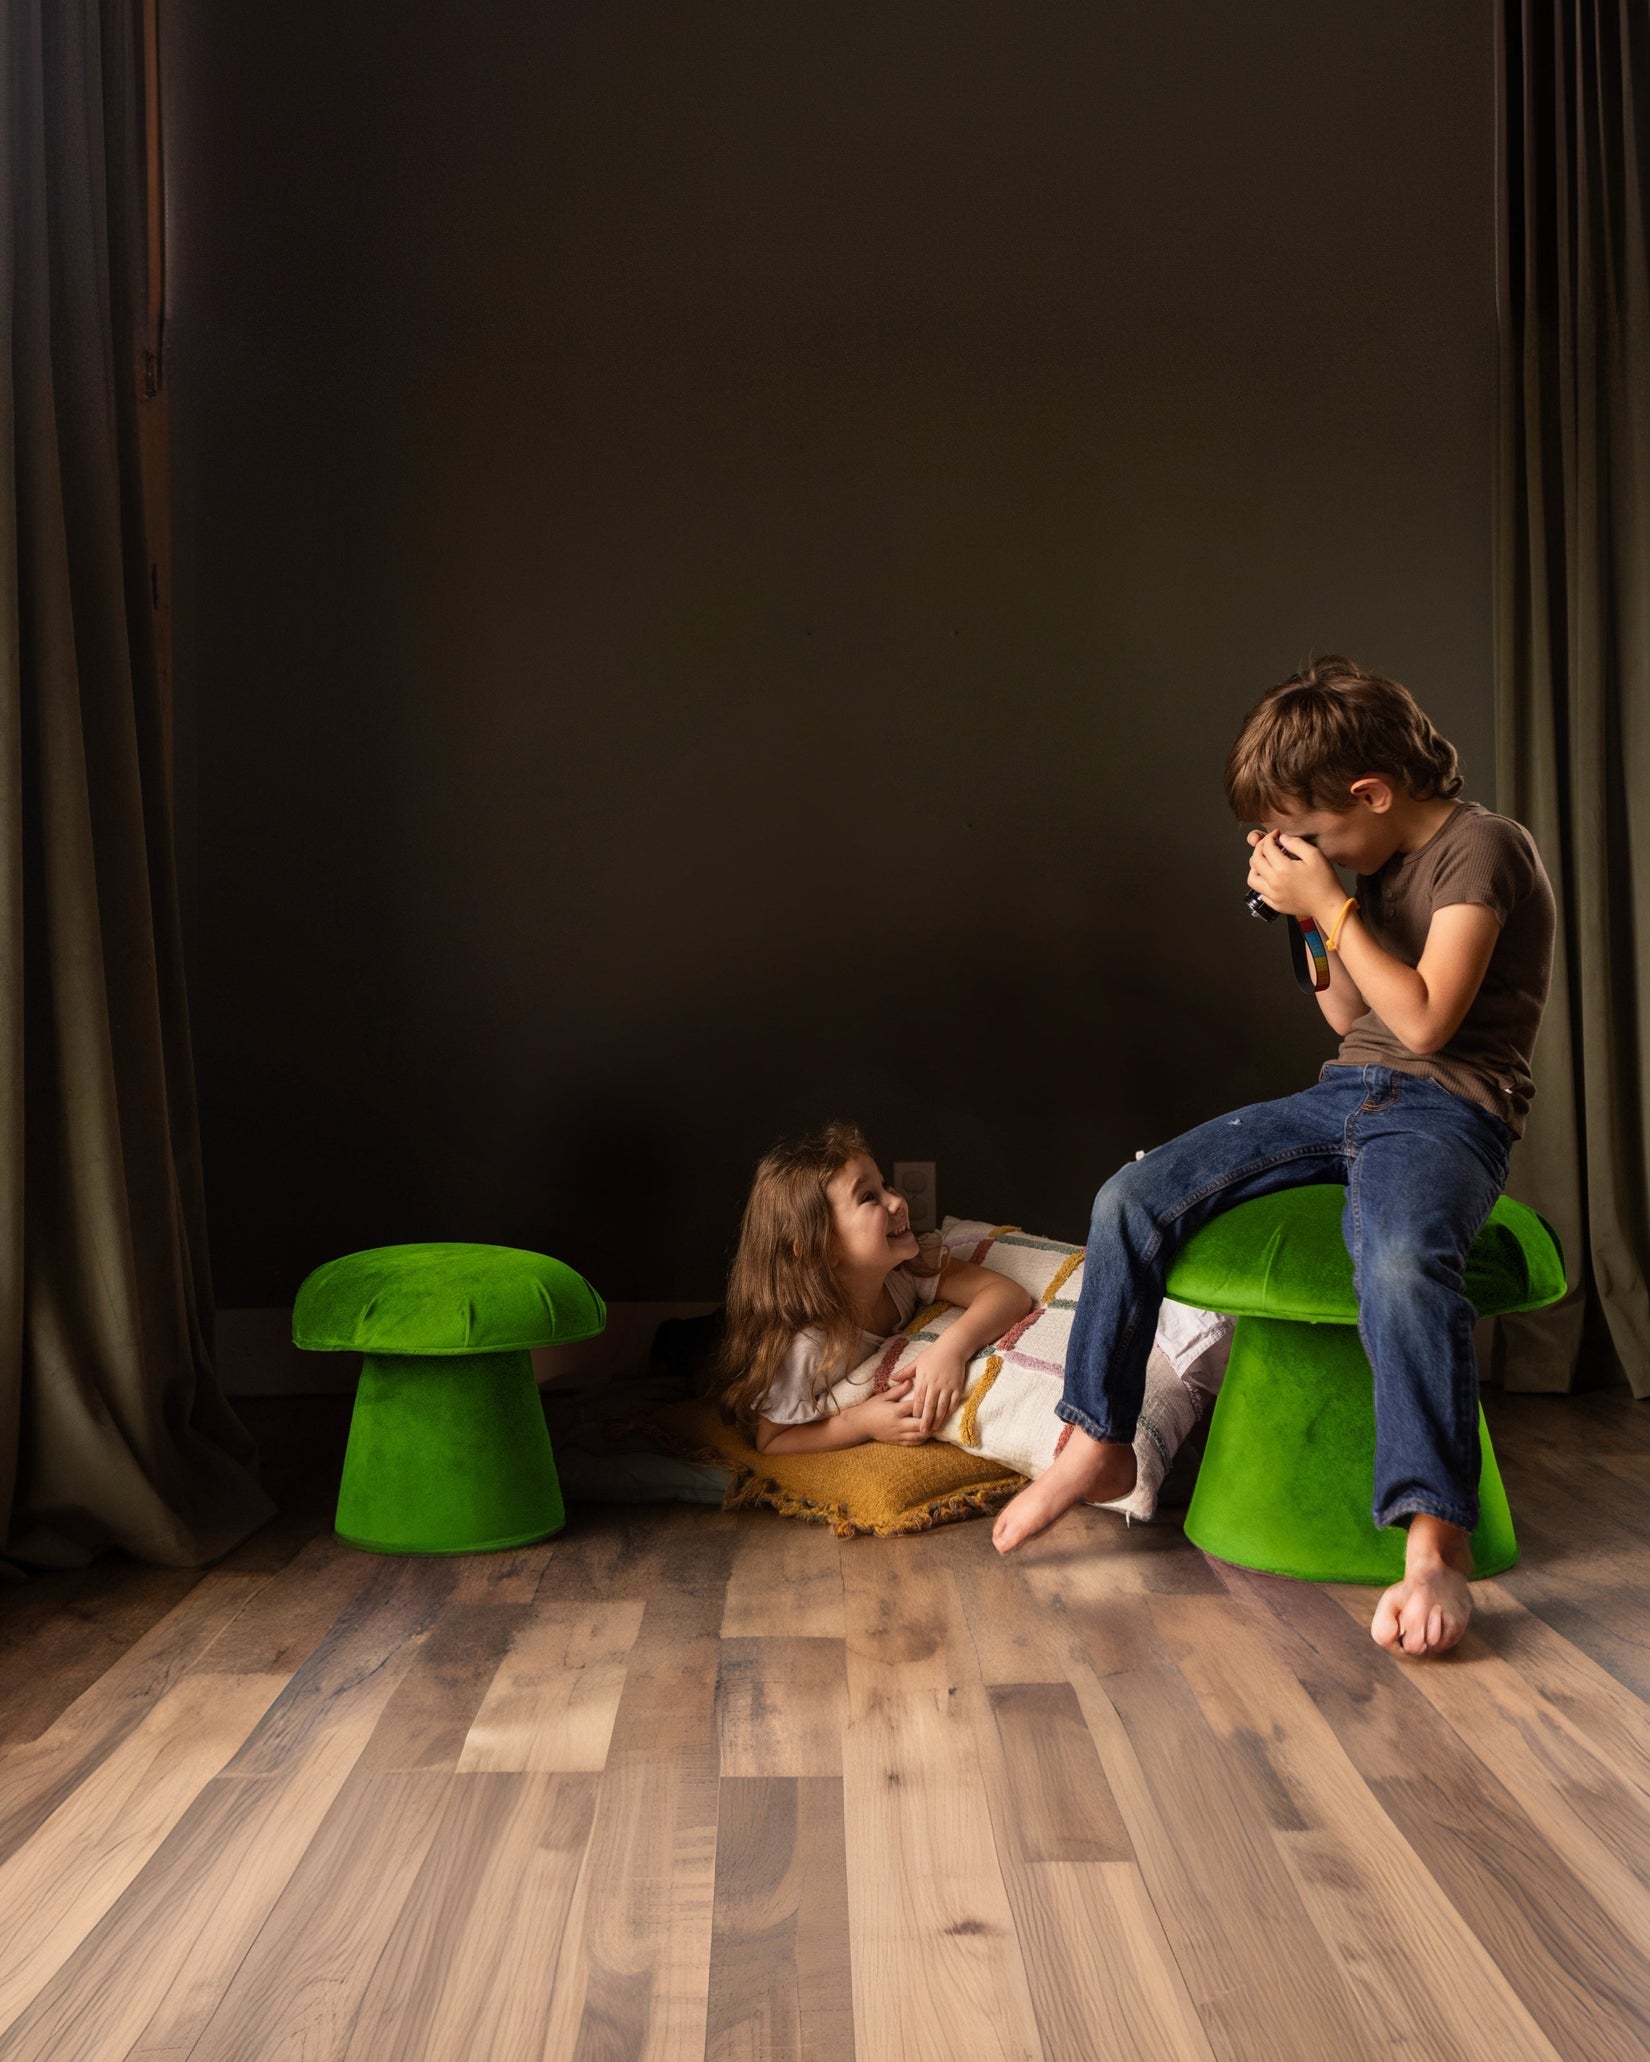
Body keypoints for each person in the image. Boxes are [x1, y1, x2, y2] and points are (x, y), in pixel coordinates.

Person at [993, 656, 1556, 1659]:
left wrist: (1331, 900)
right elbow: (1350, 1015)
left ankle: (1434, 1541)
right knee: (1133, 1192)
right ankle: (1101, 1440)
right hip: (1344, 1092)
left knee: (1396, 1260)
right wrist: (1310, 916)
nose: (1314, 849)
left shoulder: (1485, 849)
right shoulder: (1366, 866)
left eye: (1321, 828)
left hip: (1448, 1112)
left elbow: (1425, 1022)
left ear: (1373, 793)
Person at [715, 1122, 1036, 1455]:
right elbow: (771, 1441)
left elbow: (1009, 1295)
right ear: (820, 1251)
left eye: (885, 1186)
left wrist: (950, 1350)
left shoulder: (906, 1270)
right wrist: (861, 1423)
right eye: (869, 1197)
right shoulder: (806, 1347)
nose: (897, 1202)